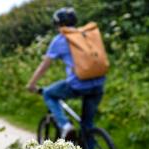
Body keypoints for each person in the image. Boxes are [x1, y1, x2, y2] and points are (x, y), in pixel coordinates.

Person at [26, 7, 105, 141]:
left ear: (58, 24)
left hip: (78, 84)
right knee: (87, 125)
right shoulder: (86, 34)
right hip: (99, 83)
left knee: (49, 94)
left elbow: (44, 66)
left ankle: (65, 125)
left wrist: (32, 84)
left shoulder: (60, 39)